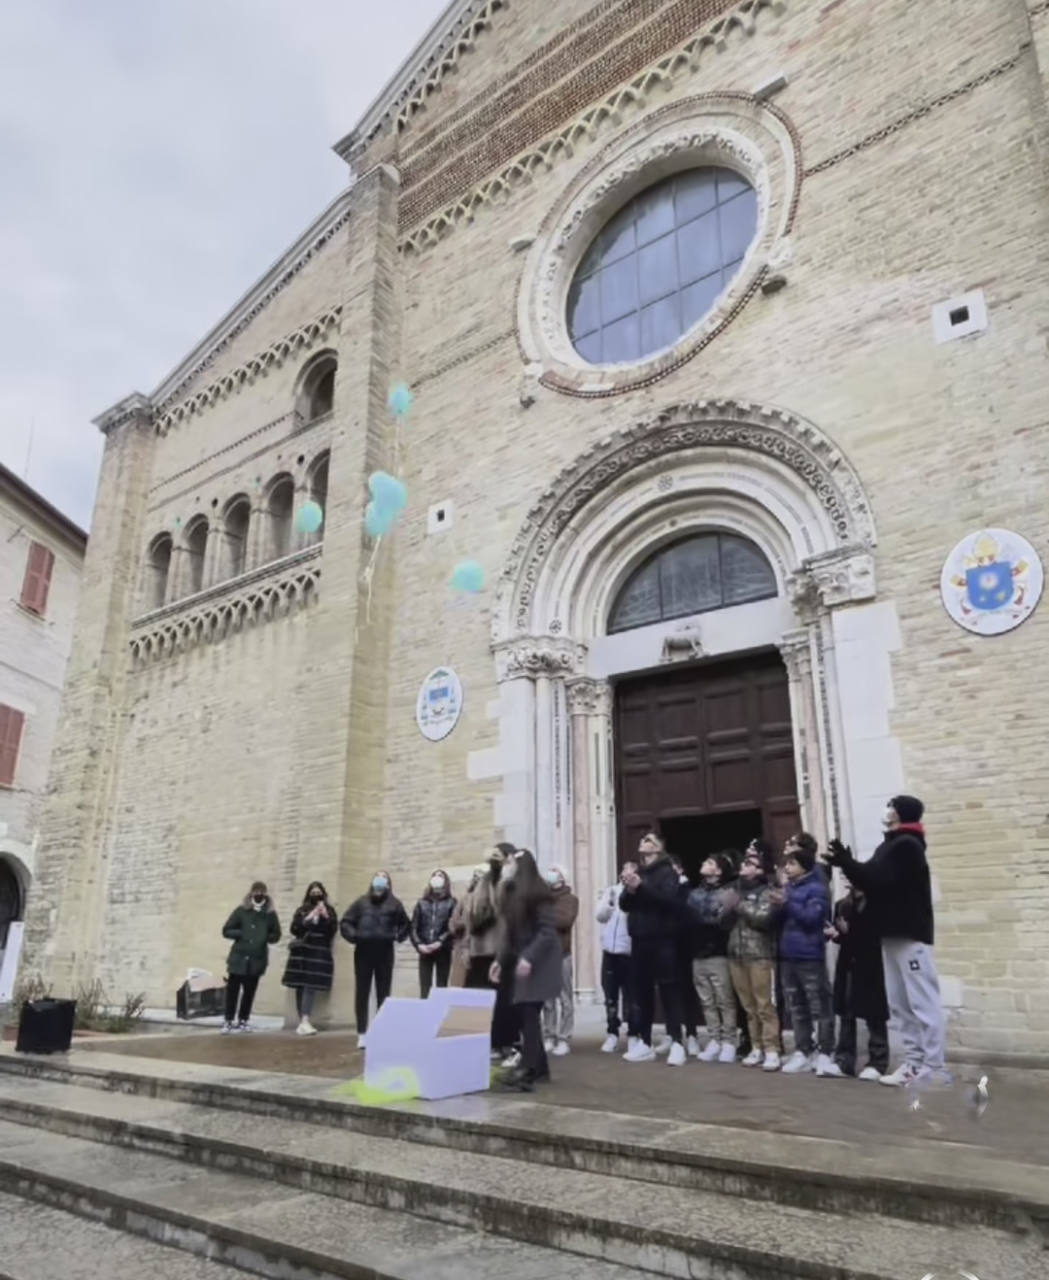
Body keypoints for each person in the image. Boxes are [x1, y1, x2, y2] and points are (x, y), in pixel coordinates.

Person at [827, 795, 949, 1086]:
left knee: (922, 1002)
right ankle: (913, 1062)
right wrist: (847, 863)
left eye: (892, 806)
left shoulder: (908, 846)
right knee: (900, 1004)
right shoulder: (890, 845)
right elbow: (869, 877)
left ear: (901, 813)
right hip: (890, 934)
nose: (887, 810)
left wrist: (849, 863)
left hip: (909, 934)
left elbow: (879, 878)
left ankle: (933, 1066)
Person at [491, 847, 562, 1091]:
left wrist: (529, 958)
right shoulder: (512, 894)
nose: (506, 865)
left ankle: (528, 1070)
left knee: (529, 1012)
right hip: (522, 959)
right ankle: (539, 1068)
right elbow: (510, 935)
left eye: (510, 861)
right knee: (524, 1012)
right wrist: (500, 961)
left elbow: (547, 932)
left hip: (540, 961)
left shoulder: (538, 894)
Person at [620, 833, 687, 1065]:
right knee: (641, 993)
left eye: (649, 839)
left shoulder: (667, 872)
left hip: (662, 938)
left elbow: (668, 901)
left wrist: (641, 888)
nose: (643, 841)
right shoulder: (638, 872)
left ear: (658, 847)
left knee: (668, 990)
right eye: (642, 839)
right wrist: (629, 889)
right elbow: (624, 905)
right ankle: (645, 1043)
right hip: (639, 938)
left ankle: (677, 1042)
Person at [775, 834, 837, 1077]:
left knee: (819, 1005)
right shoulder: (788, 888)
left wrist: (787, 902)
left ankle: (825, 1052)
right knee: (796, 1005)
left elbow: (812, 919)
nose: (786, 868)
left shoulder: (817, 889)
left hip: (809, 954)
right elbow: (779, 920)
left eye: (791, 863)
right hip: (788, 953)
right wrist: (777, 905)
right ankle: (803, 1049)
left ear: (803, 865)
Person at [339, 870, 410, 1049]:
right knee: (362, 992)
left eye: (384, 877)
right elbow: (346, 922)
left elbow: (406, 925)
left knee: (383, 992)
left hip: (385, 952)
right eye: (378, 876)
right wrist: (354, 936)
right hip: (363, 951)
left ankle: (381, 1031)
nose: (380, 880)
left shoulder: (394, 904)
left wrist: (397, 936)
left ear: (388, 883)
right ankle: (362, 1033)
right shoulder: (361, 902)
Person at [826, 885, 889, 1079]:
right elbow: (842, 934)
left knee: (874, 1013)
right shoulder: (843, 905)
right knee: (846, 1010)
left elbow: (874, 934)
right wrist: (836, 934)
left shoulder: (877, 904)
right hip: (848, 963)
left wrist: (848, 932)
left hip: (870, 965)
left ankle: (878, 1062)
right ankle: (844, 1060)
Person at [727, 846, 782, 1070]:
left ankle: (772, 1049)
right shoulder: (735, 889)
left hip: (759, 954)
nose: (744, 866)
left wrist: (738, 905)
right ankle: (756, 1046)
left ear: (760, 870)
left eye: (750, 863)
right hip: (736, 954)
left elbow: (764, 919)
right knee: (748, 1007)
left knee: (764, 1005)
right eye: (745, 862)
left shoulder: (768, 892)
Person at [686, 852, 738, 1062]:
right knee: (706, 1000)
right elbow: (688, 918)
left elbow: (723, 922)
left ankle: (729, 1041)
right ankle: (714, 1038)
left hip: (718, 952)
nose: (703, 864)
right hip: (697, 952)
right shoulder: (694, 893)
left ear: (718, 870)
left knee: (724, 999)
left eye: (709, 863)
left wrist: (703, 921)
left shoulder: (728, 892)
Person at [221, 881, 281, 1033]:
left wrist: (264, 936)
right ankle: (228, 1020)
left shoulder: (269, 914)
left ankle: (243, 1020)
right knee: (232, 991)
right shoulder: (241, 911)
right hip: (238, 958)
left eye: (262, 891)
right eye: (256, 891)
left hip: (257, 959)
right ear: (251, 892)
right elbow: (227, 930)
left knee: (249, 992)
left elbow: (276, 935)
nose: (259, 894)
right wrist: (241, 934)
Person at [281, 880, 337, 1036]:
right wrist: (309, 917)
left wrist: (324, 915)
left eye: (318, 892)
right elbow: (295, 928)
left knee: (310, 987)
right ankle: (303, 1021)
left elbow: (331, 931)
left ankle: (305, 1020)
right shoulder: (302, 910)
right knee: (301, 986)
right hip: (302, 953)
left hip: (318, 953)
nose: (316, 895)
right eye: (313, 892)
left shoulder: (329, 910)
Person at [596, 861, 638, 1054]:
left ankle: (633, 1034)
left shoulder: (639, 892)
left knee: (631, 997)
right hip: (609, 952)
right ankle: (612, 1033)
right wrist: (610, 904)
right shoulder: (612, 890)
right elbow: (600, 916)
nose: (625, 872)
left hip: (628, 952)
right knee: (610, 996)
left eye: (629, 869)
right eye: (623, 869)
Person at [542, 864, 579, 1057]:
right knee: (548, 1001)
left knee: (565, 998)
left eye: (555, 871)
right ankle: (549, 1035)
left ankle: (564, 1038)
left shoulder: (570, 899)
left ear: (563, 877)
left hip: (562, 954)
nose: (551, 873)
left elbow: (565, 921)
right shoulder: (543, 899)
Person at [670, 857, 703, 1057]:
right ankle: (672, 1035)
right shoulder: (663, 889)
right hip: (667, 946)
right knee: (670, 992)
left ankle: (691, 1034)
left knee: (688, 992)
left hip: (685, 947)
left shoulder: (689, 891)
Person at [410, 869, 457, 997]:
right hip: (424, 950)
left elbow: (453, 926)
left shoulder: (451, 902)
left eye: (440, 875)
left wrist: (440, 941)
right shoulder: (421, 903)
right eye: (435, 875)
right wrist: (419, 944)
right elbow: (413, 927)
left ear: (445, 881)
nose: (437, 877)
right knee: (425, 988)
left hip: (443, 950)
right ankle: (425, 1015)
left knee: (441, 988)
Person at [449, 866, 483, 987]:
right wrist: (462, 922)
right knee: (460, 984)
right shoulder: (465, 899)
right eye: (475, 878)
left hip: (481, 949)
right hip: (463, 946)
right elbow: (453, 922)